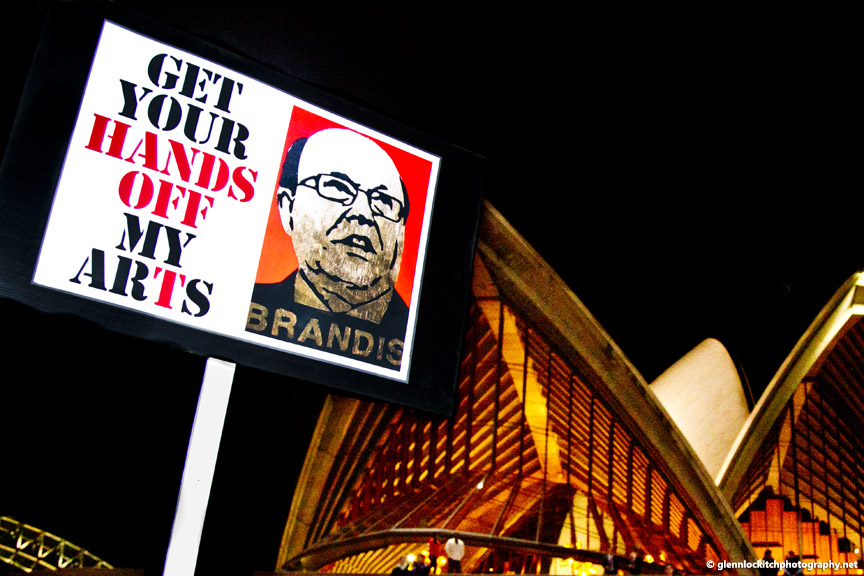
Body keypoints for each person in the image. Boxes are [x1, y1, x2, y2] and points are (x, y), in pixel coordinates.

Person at [247, 128, 411, 369]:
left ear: (400, 234)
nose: (363, 214)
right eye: (338, 187)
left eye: (384, 202)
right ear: (287, 208)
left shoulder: (416, 346)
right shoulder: (245, 307)